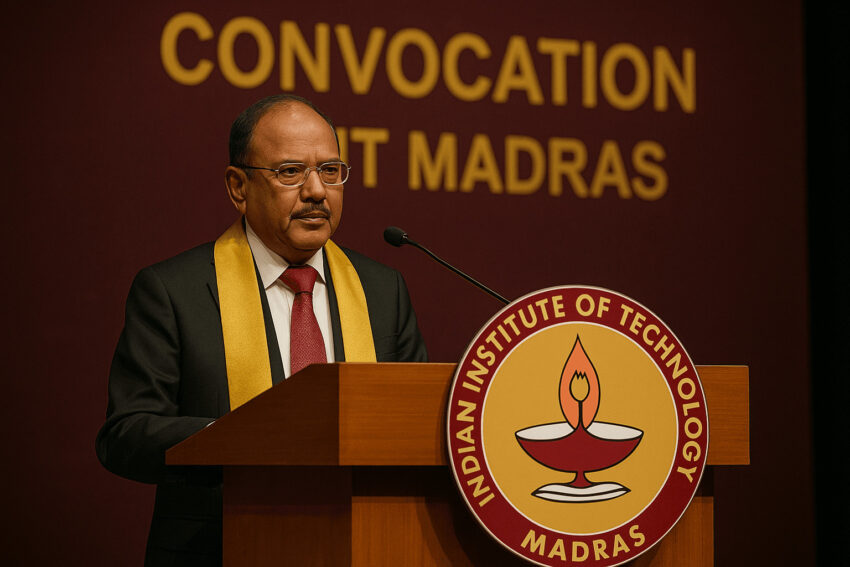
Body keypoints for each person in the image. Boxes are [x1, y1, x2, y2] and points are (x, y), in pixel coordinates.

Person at [96, 94, 427, 566]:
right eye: (290, 172)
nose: (316, 191)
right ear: (238, 186)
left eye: (330, 171)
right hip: (217, 550)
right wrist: (237, 438)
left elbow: (414, 426)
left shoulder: (382, 289)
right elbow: (124, 437)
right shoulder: (175, 292)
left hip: (364, 545)